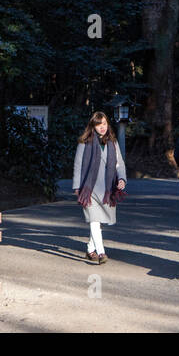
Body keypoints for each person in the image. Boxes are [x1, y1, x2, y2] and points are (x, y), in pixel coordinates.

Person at [72, 110, 126, 263]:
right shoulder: (84, 142)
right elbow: (78, 164)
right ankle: (101, 253)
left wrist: (121, 179)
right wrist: (77, 186)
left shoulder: (113, 142)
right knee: (94, 219)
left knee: (99, 221)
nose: (102, 127)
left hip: (107, 188)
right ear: (93, 126)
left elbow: (119, 164)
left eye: (104, 124)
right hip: (88, 188)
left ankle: (90, 249)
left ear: (107, 124)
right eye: (98, 125)